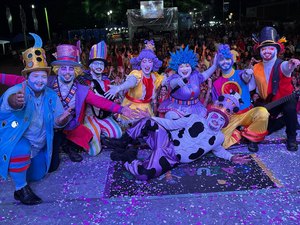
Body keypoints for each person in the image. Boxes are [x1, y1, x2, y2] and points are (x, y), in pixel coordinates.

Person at [108, 94, 250, 181]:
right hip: (165, 140)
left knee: (144, 174)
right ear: (209, 113)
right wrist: (151, 118)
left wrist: (231, 157)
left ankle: (128, 157)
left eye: (221, 120)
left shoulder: (219, 137)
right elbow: (170, 124)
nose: (216, 121)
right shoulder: (195, 118)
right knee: (148, 122)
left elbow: (218, 150)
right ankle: (122, 142)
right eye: (215, 116)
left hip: (172, 158)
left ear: (224, 123)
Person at [0, 34, 71, 205]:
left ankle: (18, 168)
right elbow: (7, 105)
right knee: (20, 150)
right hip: (17, 140)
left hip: (39, 145)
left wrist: (61, 120)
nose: (40, 80)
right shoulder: (17, 91)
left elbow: (56, 121)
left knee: (39, 174)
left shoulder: (52, 95)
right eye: (35, 76)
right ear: (27, 77)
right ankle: (20, 189)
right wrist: (15, 102)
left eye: (43, 77)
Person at [250, 26, 300, 151]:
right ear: (260, 51)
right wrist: (245, 76)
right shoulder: (256, 67)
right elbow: (254, 85)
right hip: (269, 102)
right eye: (264, 49)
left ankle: (291, 138)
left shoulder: (281, 64)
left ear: (276, 50)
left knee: (290, 109)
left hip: (286, 99)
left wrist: (292, 63)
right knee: (266, 125)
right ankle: (256, 136)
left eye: (271, 48)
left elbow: (286, 67)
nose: (267, 51)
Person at [211, 44, 269, 152]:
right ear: (218, 62)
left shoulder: (241, 73)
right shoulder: (216, 84)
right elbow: (216, 105)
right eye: (222, 60)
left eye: (227, 59)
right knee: (220, 144)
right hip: (230, 118)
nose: (225, 62)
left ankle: (252, 139)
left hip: (247, 113)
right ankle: (239, 132)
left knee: (263, 112)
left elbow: (246, 78)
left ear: (232, 60)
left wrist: (248, 74)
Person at [104, 40, 165, 126]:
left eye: (150, 61)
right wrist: (119, 87)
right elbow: (132, 81)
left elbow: (168, 80)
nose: (147, 65)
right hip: (131, 109)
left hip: (146, 109)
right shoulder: (137, 73)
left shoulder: (155, 77)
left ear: (153, 64)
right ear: (140, 63)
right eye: (144, 61)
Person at [80, 41, 123, 156]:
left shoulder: (107, 82)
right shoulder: (84, 82)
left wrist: (116, 99)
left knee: (117, 134)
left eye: (101, 64)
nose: (99, 67)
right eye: (96, 64)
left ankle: (101, 135)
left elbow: (110, 100)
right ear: (90, 65)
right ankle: (95, 135)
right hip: (90, 117)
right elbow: (93, 100)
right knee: (94, 151)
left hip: (104, 116)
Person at [158, 46, 218, 119]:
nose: (185, 69)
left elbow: (206, 74)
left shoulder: (195, 76)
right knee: (170, 116)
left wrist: (214, 66)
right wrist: (177, 81)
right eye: (181, 66)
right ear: (177, 68)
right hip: (177, 108)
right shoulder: (175, 77)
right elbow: (172, 83)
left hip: (195, 108)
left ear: (191, 66)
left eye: (187, 66)